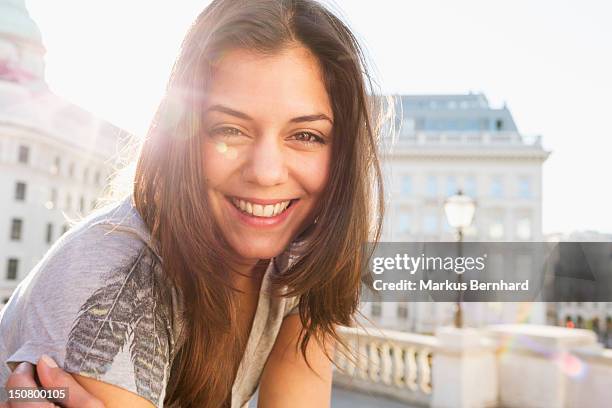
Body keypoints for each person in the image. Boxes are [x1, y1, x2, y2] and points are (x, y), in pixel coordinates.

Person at [0, 0, 386, 406]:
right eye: (230, 129)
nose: (266, 172)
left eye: (306, 135)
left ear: (340, 154)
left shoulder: (302, 262)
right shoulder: (119, 285)